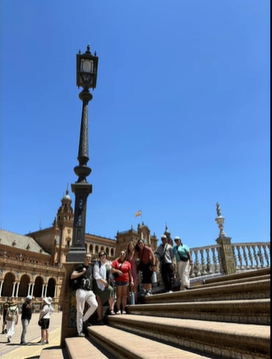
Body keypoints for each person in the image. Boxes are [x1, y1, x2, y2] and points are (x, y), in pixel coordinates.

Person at [70, 253, 98, 337]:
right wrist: (81, 273)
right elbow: (72, 276)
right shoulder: (80, 266)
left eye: (89, 258)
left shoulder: (91, 268)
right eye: (86, 257)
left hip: (89, 291)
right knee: (80, 310)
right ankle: (79, 331)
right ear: (84, 258)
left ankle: (83, 320)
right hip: (81, 290)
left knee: (95, 305)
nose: (88, 259)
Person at [93, 251, 115, 324]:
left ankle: (111, 309)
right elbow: (96, 275)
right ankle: (99, 318)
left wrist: (111, 277)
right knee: (99, 301)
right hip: (98, 285)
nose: (103, 256)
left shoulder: (108, 264)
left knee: (111, 290)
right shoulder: (97, 264)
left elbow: (111, 271)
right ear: (99, 257)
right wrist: (103, 281)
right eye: (101, 255)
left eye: (104, 254)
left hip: (106, 284)